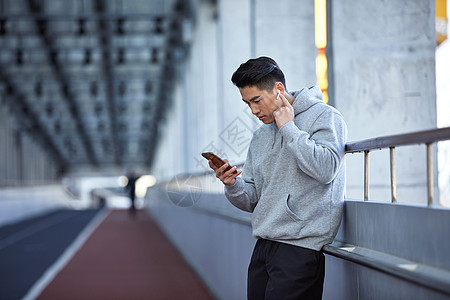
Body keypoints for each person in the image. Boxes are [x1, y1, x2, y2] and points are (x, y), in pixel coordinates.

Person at [208, 56, 347, 299]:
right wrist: (232, 184)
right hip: (264, 244)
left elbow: (326, 170)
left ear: (278, 89)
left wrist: (289, 129)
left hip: (300, 247)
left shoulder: (325, 117)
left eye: (256, 100)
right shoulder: (261, 136)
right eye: (247, 103)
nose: (253, 110)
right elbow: (251, 200)